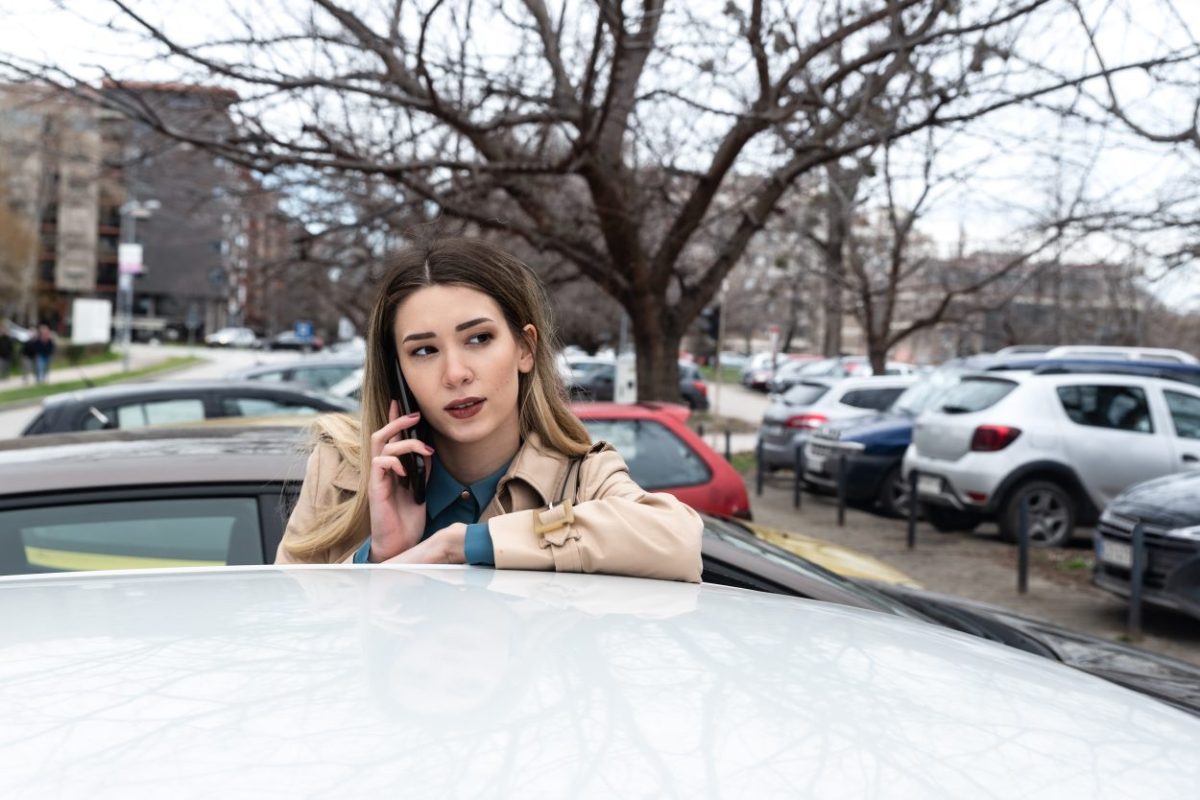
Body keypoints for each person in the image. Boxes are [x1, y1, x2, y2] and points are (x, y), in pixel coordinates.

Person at [276, 237, 703, 581]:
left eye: (478, 339)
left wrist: (464, 544)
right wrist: (381, 558)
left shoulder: (581, 474)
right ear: (399, 371)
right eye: (424, 350)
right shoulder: (342, 468)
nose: (456, 373)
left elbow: (677, 539)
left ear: (525, 348)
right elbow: (294, 634)